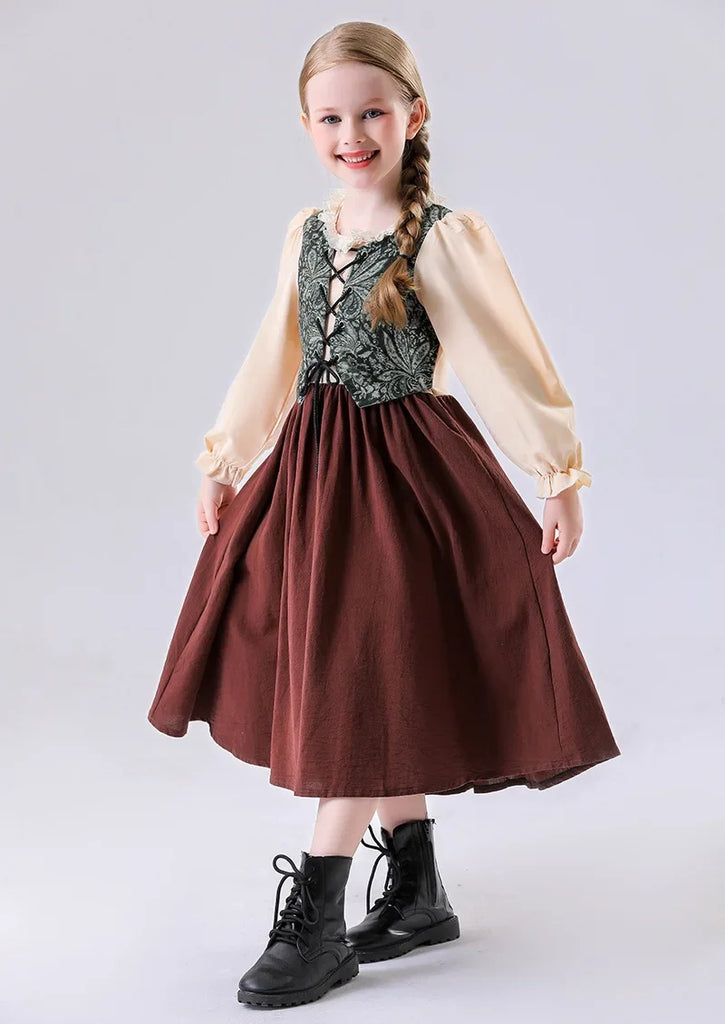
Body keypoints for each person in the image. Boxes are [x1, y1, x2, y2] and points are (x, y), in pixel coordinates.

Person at [146, 20, 621, 1010]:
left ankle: (318, 921)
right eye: (329, 117)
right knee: (352, 668)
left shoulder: (442, 236)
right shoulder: (308, 232)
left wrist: (556, 472)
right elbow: (274, 354)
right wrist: (225, 457)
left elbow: (504, 355)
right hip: (311, 478)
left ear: (414, 115)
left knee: (356, 679)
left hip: (403, 482)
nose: (351, 134)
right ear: (304, 126)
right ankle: (415, 889)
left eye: (371, 112)